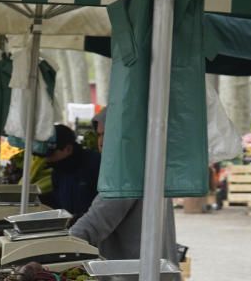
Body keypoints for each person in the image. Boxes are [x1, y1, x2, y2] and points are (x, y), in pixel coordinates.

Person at [69, 108, 179, 263]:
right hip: (152, 268)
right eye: (99, 135)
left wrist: (60, 246)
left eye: (107, 134)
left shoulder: (126, 170)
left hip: (137, 275)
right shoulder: (145, 162)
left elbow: (96, 221)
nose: (101, 141)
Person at [40, 124, 101, 221]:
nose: (48, 159)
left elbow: (104, 205)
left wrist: (79, 219)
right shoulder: (58, 170)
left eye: (51, 154)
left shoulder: (96, 164)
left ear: (68, 149)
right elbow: (58, 200)